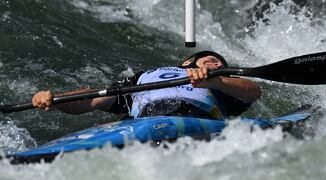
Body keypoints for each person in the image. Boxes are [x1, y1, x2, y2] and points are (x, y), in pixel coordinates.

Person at [32, 51, 261, 119]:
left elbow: (253, 93)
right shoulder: (144, 77)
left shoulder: (223, 85)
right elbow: (94, 98)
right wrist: (57, 100)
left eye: (221, 64)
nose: (218, 63)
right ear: (187, 63)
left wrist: (216, 80)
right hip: (148, 118)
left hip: (198, 118)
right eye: (211, 60)